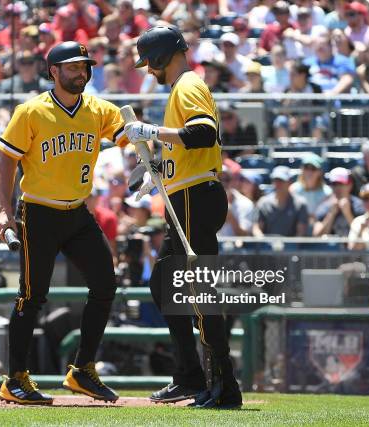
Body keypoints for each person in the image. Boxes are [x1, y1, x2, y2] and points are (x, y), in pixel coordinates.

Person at [0, 41, 127, 405]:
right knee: (32, 296)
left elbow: (128, 132)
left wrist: (147, 140)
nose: (80, 72)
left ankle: (82, 370)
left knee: (105, 283)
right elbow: (6, 164)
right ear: (53, 71)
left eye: (84, 66)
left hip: (77, 212)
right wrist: (4, 210)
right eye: (72, 67)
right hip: (38, 212)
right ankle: (15, 378)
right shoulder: (31, 111)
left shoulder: (98, 109)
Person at [124, 26, 241, 409]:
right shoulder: (182, 88)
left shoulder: (188, 84)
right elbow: (187, 147)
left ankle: (223, 385)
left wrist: (151, 132)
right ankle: (191, 376)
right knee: (164, 283)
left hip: (195, 197)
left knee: (197, 289)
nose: (148, 71)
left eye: (149, 63)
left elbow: (201, 135)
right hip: (185, 195)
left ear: (160, 57)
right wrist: (155, 166)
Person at [253, 166, 309, 237]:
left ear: (289, 182)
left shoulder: (300, 204)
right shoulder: (264, 203)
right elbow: (257, 228)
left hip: (291, 246)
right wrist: (263, 242)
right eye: (275, 180)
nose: (278, 184)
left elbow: (301, 232)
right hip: (267, 246)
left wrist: (291, 246)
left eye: (281, 180)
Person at [314, 167, 365, 237]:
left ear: (350, 185)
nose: (337, 188)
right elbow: (317, 236)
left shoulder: (359, 206)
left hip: (352, 247)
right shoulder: (325, 206)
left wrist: (347, 214)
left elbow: (363, 236)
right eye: (334, 184)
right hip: (331, 247)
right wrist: (331, 214)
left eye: (341, 184)